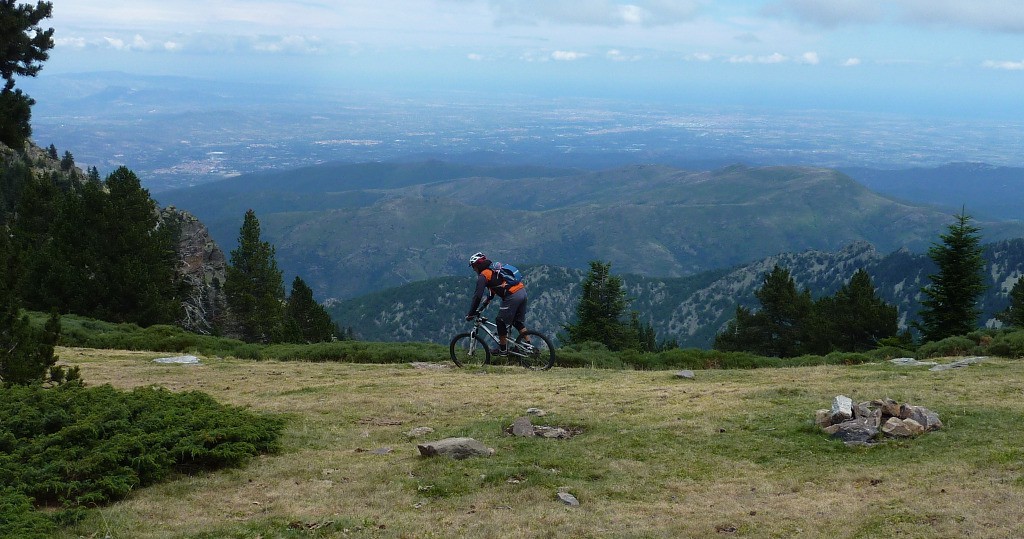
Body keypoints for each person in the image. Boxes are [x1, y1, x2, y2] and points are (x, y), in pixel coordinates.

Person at [465, 252, 529, 355]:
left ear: (477, 265)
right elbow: (493, 289)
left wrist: (471, 312)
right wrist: (484, 305)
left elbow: (477, 296)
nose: (473, 269)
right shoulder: (493, 270)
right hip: (522, 292)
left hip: (513, 295)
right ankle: (529, 346)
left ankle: (503, 350)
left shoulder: (483, 275)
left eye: (473, 266)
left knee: (500, 321)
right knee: (517, 322)